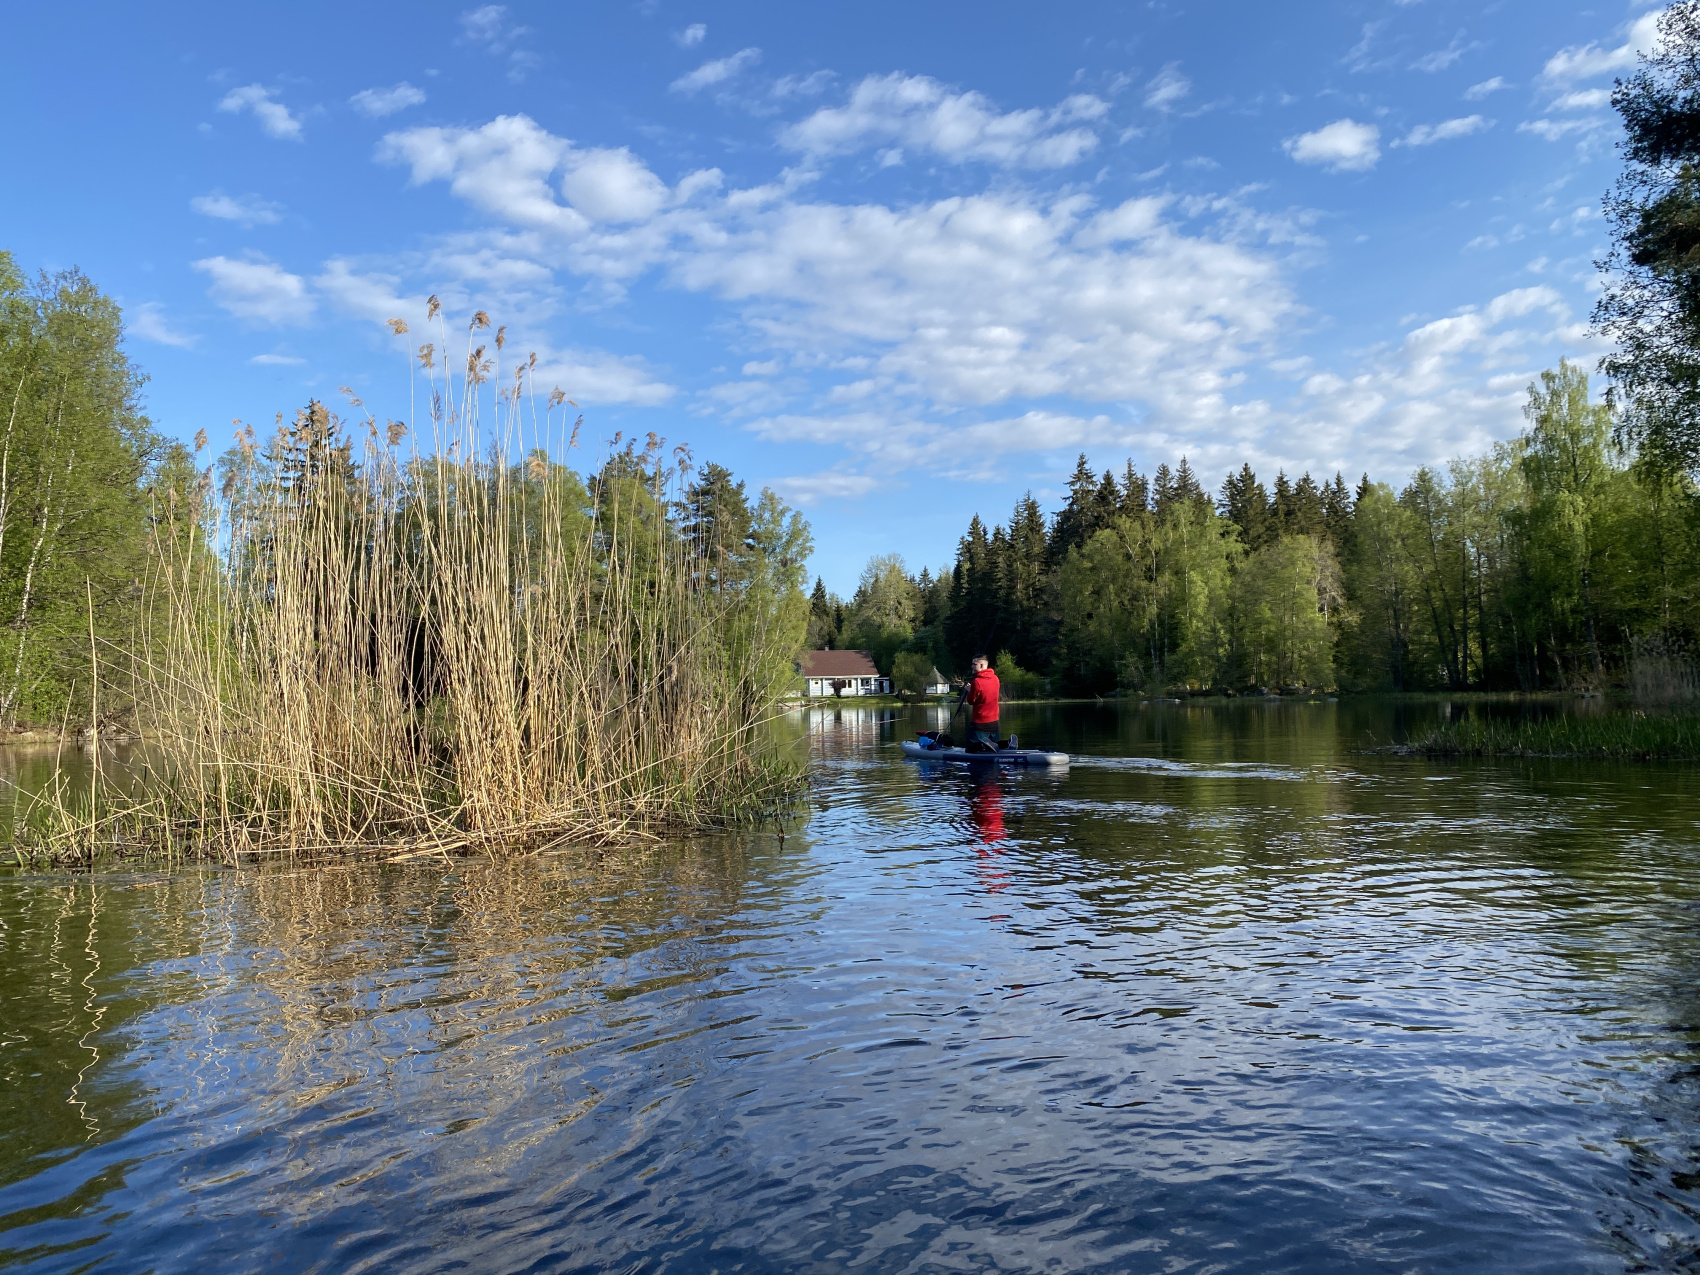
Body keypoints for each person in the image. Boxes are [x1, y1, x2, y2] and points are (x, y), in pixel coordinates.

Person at [957, 653, 1000, 750]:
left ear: (981, 665)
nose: (972, 666)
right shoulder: (996, 679)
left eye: (974, 664)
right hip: (994, 723)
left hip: (980, 723)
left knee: (971, 750)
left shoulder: (976, 682)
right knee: (991, 751)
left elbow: (971, 701)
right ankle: (1004, 744)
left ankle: (984, 745)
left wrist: (969, 691)